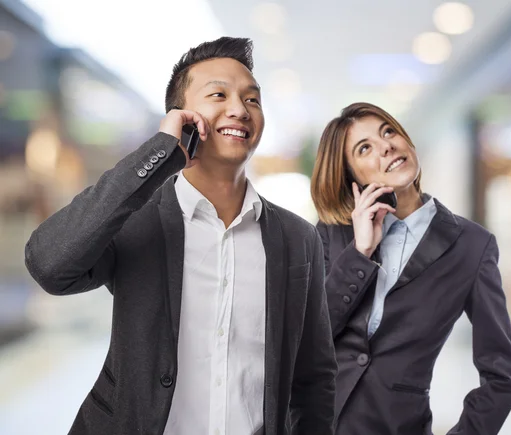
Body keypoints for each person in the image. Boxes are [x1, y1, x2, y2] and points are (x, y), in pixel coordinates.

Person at [25, 37, 336, 435]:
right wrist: (158, 152)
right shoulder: (136, 219)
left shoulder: (297, 238)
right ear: (182, 116)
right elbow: (49, 265)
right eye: (218, 95)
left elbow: (314, 376)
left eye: (252, 100)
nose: (239, 110)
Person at [310, 102, 511, 435]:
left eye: (389, 132)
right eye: (365, 148)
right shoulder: (332, 233)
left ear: (408, 142)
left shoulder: (471, 245)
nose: (387, 146)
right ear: (353, 176)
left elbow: (502, 375)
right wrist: (360, 252)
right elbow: (310, 338)